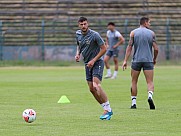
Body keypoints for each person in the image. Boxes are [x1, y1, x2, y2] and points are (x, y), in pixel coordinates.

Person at [75, 17, 113, 120]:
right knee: (91, 89)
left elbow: (104, 48)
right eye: (81, 24)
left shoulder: (94, 35)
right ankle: (105, 108)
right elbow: (79, 45)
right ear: (79, 25)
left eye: (85, 24)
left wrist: (94, 60)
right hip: (87, 64)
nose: (83, 26)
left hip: (97, 62)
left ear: (88, 24)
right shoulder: (78, 34)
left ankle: (108, 110)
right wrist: (78, 54)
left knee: (96, 85)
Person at [122, 17, 159, 109]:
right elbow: (156, 49)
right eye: (149, 22)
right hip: (148, 60)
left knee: (134, 81)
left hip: (136, 61)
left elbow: (129, 47)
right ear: (145, 23)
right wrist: (154, 58)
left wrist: (125, 60)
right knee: (150, 81)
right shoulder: (151, 33)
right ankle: (150, 96)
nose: (150, 24)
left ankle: (133, 103)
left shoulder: (133, 33)